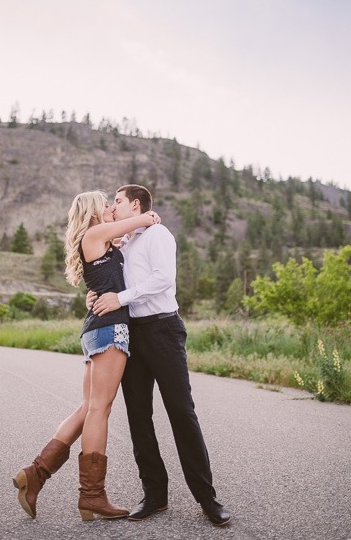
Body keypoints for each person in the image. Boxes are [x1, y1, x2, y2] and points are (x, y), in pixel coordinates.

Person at [12, 190, 159, 521]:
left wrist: (98, 293)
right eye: (105, 204)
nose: (110, 208)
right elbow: (140, 221)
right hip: (109, 330)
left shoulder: (103, 243)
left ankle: (35, 473)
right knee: (99, 410)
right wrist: (149, 217)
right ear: (93, 212)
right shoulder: (94, 233)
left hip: (98, 327)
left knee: (87, 409)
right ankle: (92, 496)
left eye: (112, 203)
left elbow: (112, 271)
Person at [89, 184, 231, 526]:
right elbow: (110, 278)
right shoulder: (122, 245)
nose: (113, 206)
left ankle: (207, 498)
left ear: (136, 205)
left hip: (163, 331)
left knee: (181, 412)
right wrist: (97, 294)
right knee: (138, 416)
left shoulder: (158, 234)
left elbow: (164, 280)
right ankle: (155, 494)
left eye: (118, 201)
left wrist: (120, 299)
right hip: (132, 335)